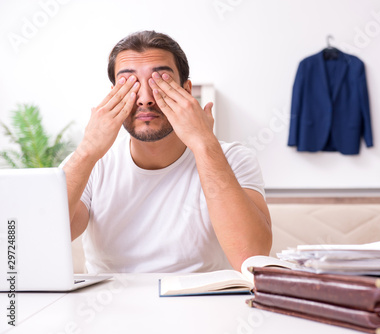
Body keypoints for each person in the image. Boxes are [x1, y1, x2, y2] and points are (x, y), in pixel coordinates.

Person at [62, 30, 272, 274]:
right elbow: (43, 240)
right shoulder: (92, 164)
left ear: (186, 90)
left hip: (202, 307)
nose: (145, 99)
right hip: (109, 308)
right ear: (112, 95)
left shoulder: (234, 159)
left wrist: (204, 144)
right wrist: (87, 150)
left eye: (160, 81)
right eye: (129, 83)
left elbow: (251, 257)